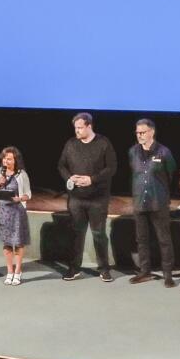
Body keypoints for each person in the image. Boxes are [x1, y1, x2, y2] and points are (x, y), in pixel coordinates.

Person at [57, 112, 117, 282]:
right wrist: (70, 178)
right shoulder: (71, 144)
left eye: (80, 128)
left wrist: (92, 179)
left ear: (89, 126)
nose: (77, 131)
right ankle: (74, 268)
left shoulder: (103, 143)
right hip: (76, 199)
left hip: (97, 199)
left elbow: (111, 168)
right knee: (76, 234)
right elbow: (61, 165)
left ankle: (104, 269)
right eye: (75, 128)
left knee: (98, 234)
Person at [127, 119, 178, 286]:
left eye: (143, 132)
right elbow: (134, 173)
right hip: (139, 202)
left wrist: (161, 192)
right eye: (137, 132)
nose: (139, 135)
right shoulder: (133, 151)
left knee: (164, 239)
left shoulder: (164, 152)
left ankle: (168, 274)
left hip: (158, 202)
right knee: (141, 239)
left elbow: (171, 173)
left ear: (152, 132)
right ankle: (145, 271)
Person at [0, 146, 32, 285]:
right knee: (7, 244)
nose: (6, 161)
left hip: (17, 212)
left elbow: (28, 194)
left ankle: (18, 272)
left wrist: (20, 198)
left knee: (18, 243)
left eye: (9, 159)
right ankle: (9, 272)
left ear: (15, 160)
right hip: (3, 213)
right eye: (4, 158)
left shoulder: (21, 174)